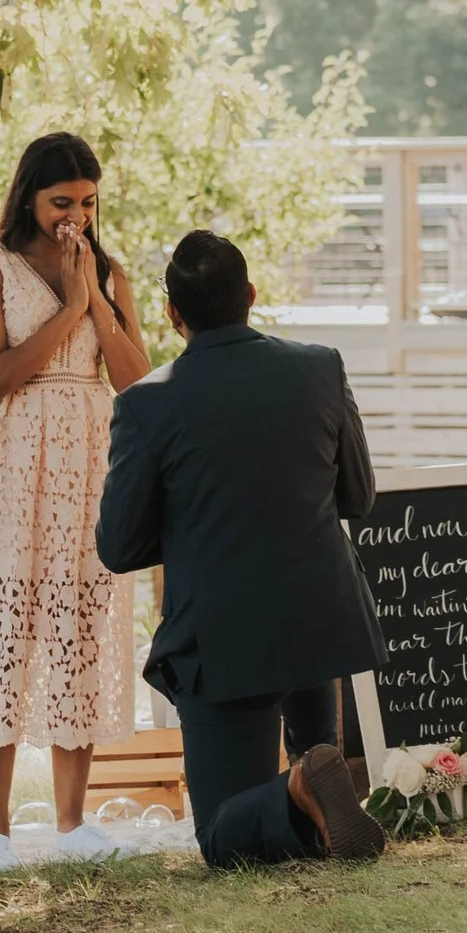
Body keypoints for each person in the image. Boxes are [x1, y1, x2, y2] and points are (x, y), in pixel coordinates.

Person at [95, 229, 388, 866]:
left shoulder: (146, 404)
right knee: (314, 763)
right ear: (251, 295)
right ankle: (315, 786)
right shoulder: (321, 366)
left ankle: (303, 784)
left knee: (222, 838)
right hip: (319, 617)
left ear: (173, 314)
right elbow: (359, 495)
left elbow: (118, 547)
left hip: (221, 637)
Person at [0, 132, 153, 870]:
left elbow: (135, 379)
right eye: (62, 201)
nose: (77, 217)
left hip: (86, 465)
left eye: (89, 203)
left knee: (80, 629)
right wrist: (67, 310)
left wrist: (94, 294)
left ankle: (72, 823)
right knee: (3, 629)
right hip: (9, 467)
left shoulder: (108, 270)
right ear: (29, 195)